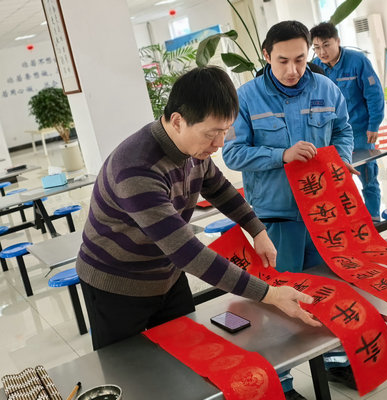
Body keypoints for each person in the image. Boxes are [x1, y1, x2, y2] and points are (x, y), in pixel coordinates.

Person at [76, 66, 322, 355]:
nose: (219, 144)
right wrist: (269, 294)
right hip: (117, 285)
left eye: (225, 132)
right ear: (178, 121)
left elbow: (218, 188)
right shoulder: (136, 170)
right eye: (212, 134)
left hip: (167, 274)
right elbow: (188, 253)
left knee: (188, 355)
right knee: (130, 368)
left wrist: (257, 229)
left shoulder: (194, 148)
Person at [222, 21, 356, 395]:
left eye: (300, 59)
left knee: (328, 288)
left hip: (322, 213)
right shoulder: (246, 98)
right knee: (278, 298)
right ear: (267, 55)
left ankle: (334, 362)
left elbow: (343, 130)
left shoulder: (326, 89)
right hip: (275, 218)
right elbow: (232, 153)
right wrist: (281, 155)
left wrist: (340, 159)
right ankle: (281, 381)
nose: (293, 69)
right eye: (283, 61)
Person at [311, 22, 385, 220]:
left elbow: (374, 94)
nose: (322, 52)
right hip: (330, 134)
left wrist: (374, 124)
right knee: (337, 179)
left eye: (326, 45)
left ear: (337, 41)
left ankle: (373, 218)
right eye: (317, 47)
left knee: (368, 176)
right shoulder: (315, 67)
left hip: (360, 131)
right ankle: (350, 221)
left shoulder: (357, 61)